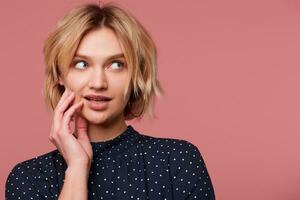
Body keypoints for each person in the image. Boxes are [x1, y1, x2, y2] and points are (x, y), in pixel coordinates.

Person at [5, 2, 215, 200]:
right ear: (60, 74)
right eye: (81, 64)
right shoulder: (28, 179)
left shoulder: (177, 161)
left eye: (116, 65)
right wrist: (77, 168)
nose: (98, 82)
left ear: (136, 76)